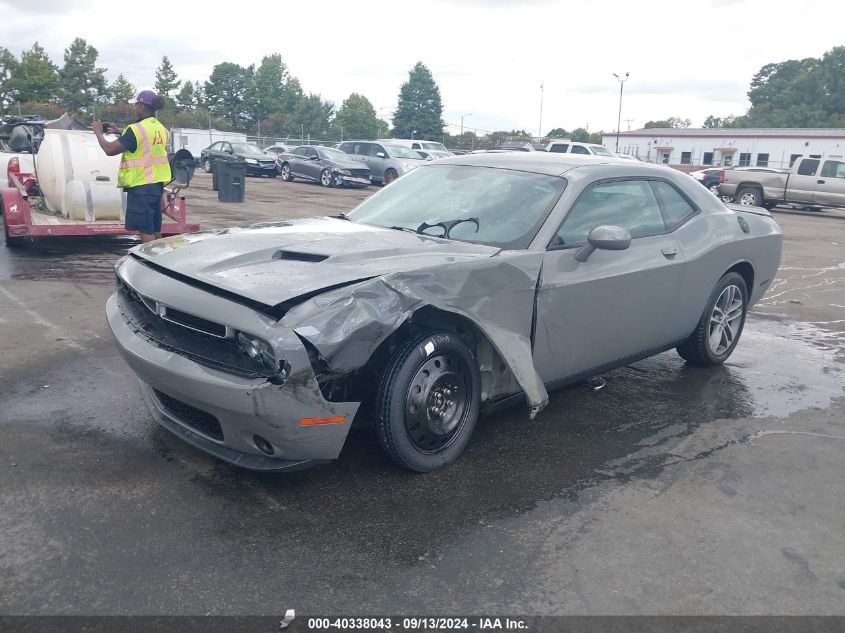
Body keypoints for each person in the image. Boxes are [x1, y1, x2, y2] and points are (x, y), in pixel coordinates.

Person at [92, 90, 171, 242]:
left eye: (136, 105)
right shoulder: (161, 128)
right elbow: (145, 139)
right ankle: (162, 258)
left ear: (142, 106)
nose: (135, 108)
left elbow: (110, 150)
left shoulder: (135, 130)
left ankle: (151, 262)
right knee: (154, 229)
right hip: (156, 186)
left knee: (145, 231)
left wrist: (98, 134)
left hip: (141, 186)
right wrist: (119, 131)